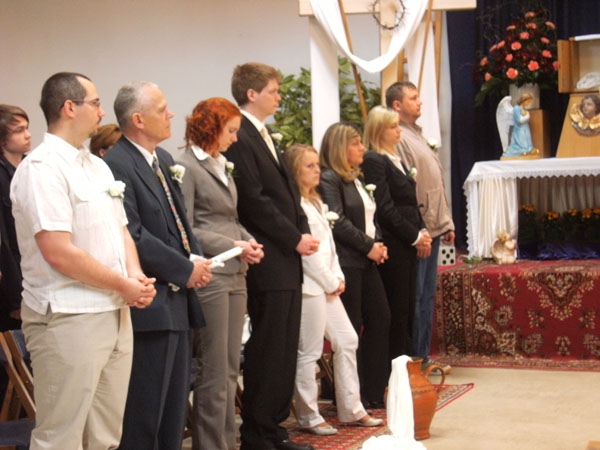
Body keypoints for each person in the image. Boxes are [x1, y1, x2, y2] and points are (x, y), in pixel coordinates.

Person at [10, 72, 156, 450]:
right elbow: (57, 251)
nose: (102, 111)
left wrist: (135, 275)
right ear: (69, 107)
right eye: (95, 103)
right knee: (61, 436)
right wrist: (122, 284)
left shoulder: (97, 166)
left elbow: (121, 230)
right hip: (69, 314)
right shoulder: (42, 168)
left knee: (105, 435)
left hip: (113, 309)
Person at [103, 80, 212, 450]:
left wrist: (195, 258)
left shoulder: (162, 159)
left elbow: (181, 221)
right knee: (145, 410)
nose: (171, 114)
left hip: (178, 301)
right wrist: (182, 268)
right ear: (138, 120)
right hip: (150, 303)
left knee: (174, 412)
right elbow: (132, 233)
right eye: (162, 109)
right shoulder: (116, 164)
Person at [224, 62, 319, 450]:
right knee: (268, 347)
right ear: (252, 94)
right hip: (269, 257)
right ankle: (258, 433)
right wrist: (293, 237)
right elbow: (254, 200)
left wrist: (303, 230)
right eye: (273, 91)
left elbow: (288, 194)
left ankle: (274, 429)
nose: (279, 97)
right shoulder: (241, 135)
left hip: (286, 256)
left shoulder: (263, 134)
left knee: (284, 347)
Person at [178, 97, 264, 450]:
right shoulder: (186, 166)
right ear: (210, 129)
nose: (235, 138)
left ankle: (228, 442)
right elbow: (187, 227)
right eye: (230, 130)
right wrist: (232, 243)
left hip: (235, 270)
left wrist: (248, 241)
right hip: (211, 273)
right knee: (213, 369)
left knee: (229, 369)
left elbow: (229, 217)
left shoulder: (220, 164)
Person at [286, 143, 383, 436]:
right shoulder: (295, 206)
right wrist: (330, 281)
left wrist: (338, 277)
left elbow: (329, 246)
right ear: (295, 171)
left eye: (317, 164)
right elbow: (308, 253)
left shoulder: (315, 201)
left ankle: (351, 407)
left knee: (347, 339)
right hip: (310, 287)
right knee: (310, 350)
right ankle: (309, 415)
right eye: (309, 166)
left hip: (327, 282)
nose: (317, 170)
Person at [318, 122, 391, 409]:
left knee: (380, 318)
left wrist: (379, 243)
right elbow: (337, 221)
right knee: (351, 326)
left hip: (366, 260)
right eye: (355, 143)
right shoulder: (329, 179)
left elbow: (371, 218)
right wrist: (369, 246)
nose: (362, 148)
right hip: (348, 261)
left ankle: (373, 389)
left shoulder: (355, 179)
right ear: (340, 147)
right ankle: (351, 394)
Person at [386, 81, 455, 373]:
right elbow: (407, 187)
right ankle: (415, 359)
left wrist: (446, 221)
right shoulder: (399, 137)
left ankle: (422, 355)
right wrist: (420, 228)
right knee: (415, 296)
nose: (419, 102)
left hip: (433, 223)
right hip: (420, 227)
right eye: (413, 98)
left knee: (426, 296)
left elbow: (434, 180)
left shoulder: (416, 133)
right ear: (397, 105)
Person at [361, 105, 432, 361]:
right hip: (395, 242)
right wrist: (414, 236)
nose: (398, 130)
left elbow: (410, 201)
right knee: (397, 306)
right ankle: (394, 366)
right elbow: (385, 207)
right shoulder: (374, 160)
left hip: (408, 240)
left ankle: (407, 362)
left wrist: (422, 229)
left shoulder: (395, 158)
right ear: (379, 130)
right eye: (392, 126)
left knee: (409, 306)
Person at [0, 104, 30, 331]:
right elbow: (4, 241)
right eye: (19, 131)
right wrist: (15, 296)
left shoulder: (32, 167)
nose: (27, 135)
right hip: (14, 276)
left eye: (27, 128)